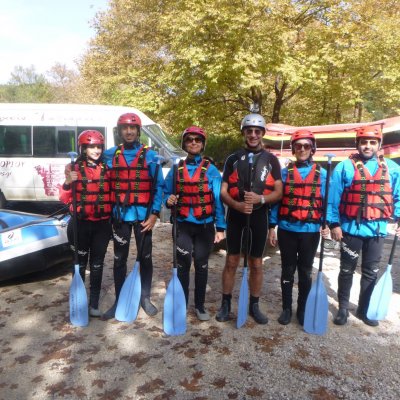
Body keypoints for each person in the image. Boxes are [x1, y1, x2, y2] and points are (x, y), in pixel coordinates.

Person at [327, 125, 400, 327]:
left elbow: (398, 196)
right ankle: (342, 309)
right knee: (346, 269)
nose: (368, 146)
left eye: (372, 142)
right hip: (350, 229)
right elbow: (333, 199)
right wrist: (334, 224)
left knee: (370, 272)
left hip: (377, 230)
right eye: (364, 142)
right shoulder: (344, 167)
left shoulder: (393, 169)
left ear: (378, 145)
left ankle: (364, 309)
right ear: (357, 144)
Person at [216, 113, 283, 324]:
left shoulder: (272, 160)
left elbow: (279, 191)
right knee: (232, 260)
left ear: (262, 133)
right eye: (249, 131)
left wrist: (260, 199)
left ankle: (254, 304)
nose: (253, 135)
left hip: (259, 217)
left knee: (256, 262)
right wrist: (236, 205)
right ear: (244, 133)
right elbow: (223, 191)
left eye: (257, 131)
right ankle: (225, 303)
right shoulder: (233, 158)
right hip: (236, 216)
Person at [102, 113, 164, 319]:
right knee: (119, 259)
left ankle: (144, 298)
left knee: (145, 257)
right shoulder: (110, 155)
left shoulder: (151, 156)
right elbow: (92, 170)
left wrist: (155, 214)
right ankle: (119, 300)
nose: (128, 132)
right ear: (119, 131)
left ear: (138, 131)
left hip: (144, 216)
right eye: (124, 128)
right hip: (120, 216)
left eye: (132, 128)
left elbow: (159, 187)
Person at [164, 126, 226, 321]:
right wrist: (168, 200)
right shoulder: (176, 168)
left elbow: (217, 199)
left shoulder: (212, 170)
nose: (193, 142)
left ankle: (199, 305)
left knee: (201, 264)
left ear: (202, 144)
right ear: (184, 143)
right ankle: (181, 303)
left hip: (205, 226)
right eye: (189, 139)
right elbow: (166, 192)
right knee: (183, 265)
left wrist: (221, 227)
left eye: (197, 140)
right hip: (182, 225)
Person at [268, 130, 329, 326]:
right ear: (293, 149)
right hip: (287, 229)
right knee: (287, 270)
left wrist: (327, 224)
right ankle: (287, 308)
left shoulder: (323, 173)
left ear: (312, 149)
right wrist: (272, 227)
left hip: (310, 232)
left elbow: (329, 202)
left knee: (304, 271)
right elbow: (276, 202)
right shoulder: (284, 173)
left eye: (306, 146)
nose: (302, 149)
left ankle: (302, 308)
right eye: (298, 146)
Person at [59, 130, 113, 317]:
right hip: (80, 225)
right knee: (79, 265)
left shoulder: (107, 168)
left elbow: (113, 195)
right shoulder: (72, 167)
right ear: (83, 148)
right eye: (91, 146)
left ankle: (94, 303)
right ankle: (79, 301)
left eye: (98, 146)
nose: (96, 150)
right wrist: (68, 181)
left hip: (102, 226)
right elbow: (63, 197)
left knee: (97, 265)